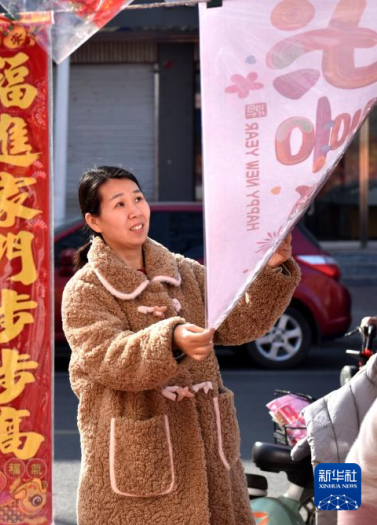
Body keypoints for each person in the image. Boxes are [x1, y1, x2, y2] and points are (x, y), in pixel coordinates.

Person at [61, 166, 300, 525]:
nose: (135, 210)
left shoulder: (185, 273)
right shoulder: (85, 290)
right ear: (94, 221)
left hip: (211, 461)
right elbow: (108, 358)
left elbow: (241, 323)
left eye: (138, 199)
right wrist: (170, 339)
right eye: (119, 203)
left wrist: (271, 270)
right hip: (139, 467)